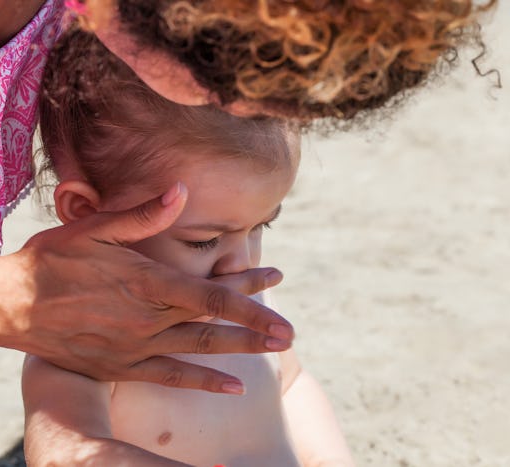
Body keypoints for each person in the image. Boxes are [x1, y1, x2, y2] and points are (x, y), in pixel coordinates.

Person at [0, 0, 496, 464]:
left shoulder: (67, 30)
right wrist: (13, 299)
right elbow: (67, 443)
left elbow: (291, 387)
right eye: (238, 75)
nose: (243, 104)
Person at [21, 26, 355, 467]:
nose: (241, 263)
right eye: (205, 240)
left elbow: (289, 386)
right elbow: (67, 454)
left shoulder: (243, 291)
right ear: (87, 212)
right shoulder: (81, 336)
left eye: (260, 227)